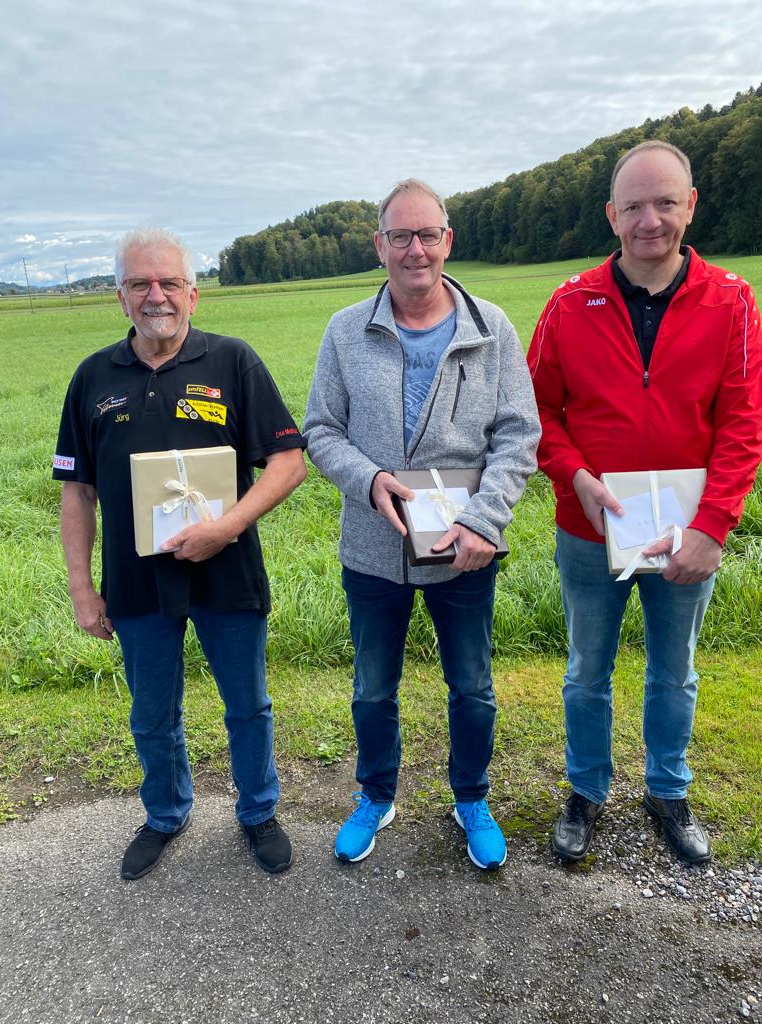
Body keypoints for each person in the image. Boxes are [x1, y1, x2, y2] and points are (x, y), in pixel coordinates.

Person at [527, 141, 762, 865]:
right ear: (612, 216)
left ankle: (668, 789)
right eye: (634, 206)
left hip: (686, 533)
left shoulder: (730, 300)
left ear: (691, 204)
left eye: (665, 202)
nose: (650, 220)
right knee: (585, 670)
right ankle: (587, 791)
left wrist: (713, 527)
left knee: (675, 671)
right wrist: (576, 479)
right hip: (590, 528)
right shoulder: (570, 303)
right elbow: (538, 414)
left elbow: (743, 423)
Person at [53, 228, 306, 879]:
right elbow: (76, 493)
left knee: (247, 704)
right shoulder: (93, 378)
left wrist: (228, 527)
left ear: (192, 293)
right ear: (121, 297)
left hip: (229, 574)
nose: (155, 295)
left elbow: (287, 461)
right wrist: (83, 589)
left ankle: (258, 812)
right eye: (140, 283)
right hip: (136, 584)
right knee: (151, 713)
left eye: (168, 282)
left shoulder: (232, 361)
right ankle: (166, 814)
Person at [304, 179, 540, 869]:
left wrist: (484, 520)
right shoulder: (346, 330)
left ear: (448, 240)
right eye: (400, 236)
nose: (415, 249)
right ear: (379, 245)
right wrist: (367, 479)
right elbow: (320, 428)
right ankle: (376, 796)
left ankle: (471, 797)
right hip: (373, 550)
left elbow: (518, 435)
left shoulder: (491, 327)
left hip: (465, 550)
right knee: (373, 687)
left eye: (427, 234)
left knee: (472, 685)